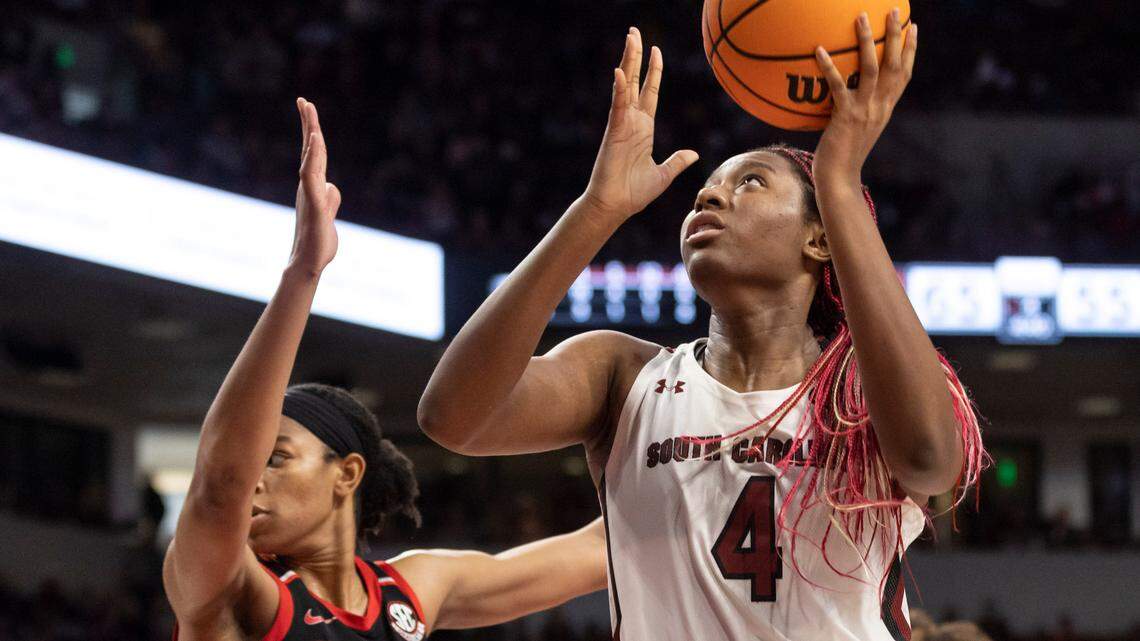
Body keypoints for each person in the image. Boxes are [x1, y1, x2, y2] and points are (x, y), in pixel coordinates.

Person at [418, 13, 984, 641]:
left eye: (749, 182)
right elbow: (453, 418)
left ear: (819, 239)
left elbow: (930, 463)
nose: (708, 198)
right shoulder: (623, 375)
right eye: (704, 191)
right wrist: (594, 211)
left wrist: (841, 183)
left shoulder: (860, 385)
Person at [163, 98, 607, 641]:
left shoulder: (412, 591)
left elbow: (599, 548)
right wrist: (303, 271)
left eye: (276, 458)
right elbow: (219, 485)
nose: (254, 478)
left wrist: (598, 207)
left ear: (347, 473)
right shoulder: (236, 595)